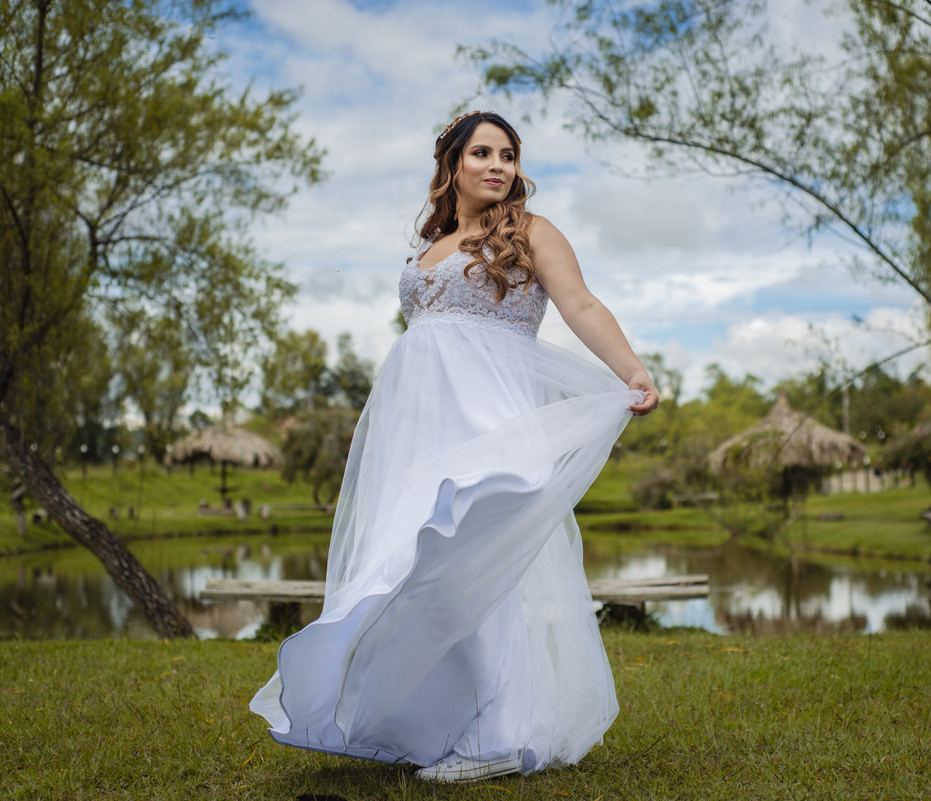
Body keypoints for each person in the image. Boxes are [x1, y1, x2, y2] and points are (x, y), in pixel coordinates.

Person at [250, 110, 659, 783]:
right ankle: (425, 720)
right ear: (452, 165)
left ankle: (503, 733)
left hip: (492, 418)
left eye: (508, 154)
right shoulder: (432, 244)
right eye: (482, 153)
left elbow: (580, 303)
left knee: (479, 556)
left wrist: (631, 369)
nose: (498, 165)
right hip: (419, 427)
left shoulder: (531, 231)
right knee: (416, 568)